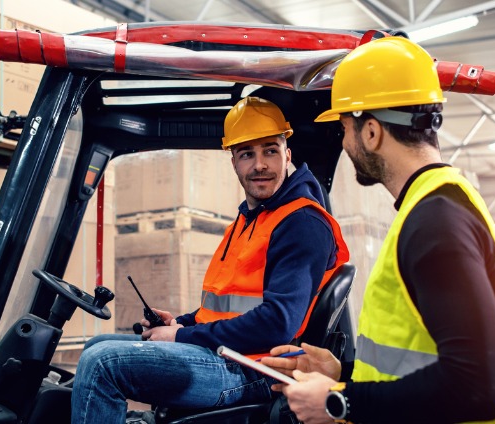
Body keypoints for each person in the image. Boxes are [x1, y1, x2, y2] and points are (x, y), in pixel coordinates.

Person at [261, 37, 495, 424]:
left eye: (345, 129)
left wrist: (340, 401)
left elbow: (476, 388)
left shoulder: (435, 222)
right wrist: (342, 375)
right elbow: (419, 362)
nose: (345, 141)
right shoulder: (438, 205)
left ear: (371, 132)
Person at [72, 96, 349, 424]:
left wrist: (180, 337)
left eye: (270, 150)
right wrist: (181, 323)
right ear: (233, 161)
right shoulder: (249, 220)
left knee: (103, 364)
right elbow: (223, 308)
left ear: (287, 155)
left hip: (256, 370)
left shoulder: (301, 223)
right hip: (231, 356)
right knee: (97, 346)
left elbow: (278, 323)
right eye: (247, 153)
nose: (260, 164)